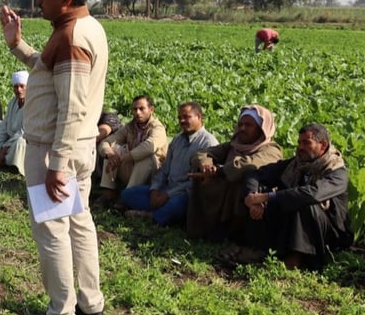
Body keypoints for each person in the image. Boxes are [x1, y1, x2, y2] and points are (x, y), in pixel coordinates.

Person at [0, 0, 109, 315]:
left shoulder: (73, 37)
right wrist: (17, 43)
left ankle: (61, 314)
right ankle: (91, 305)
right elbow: (45, 69)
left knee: (52, 230)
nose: (39, 1)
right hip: (76, 146)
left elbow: (72, 106)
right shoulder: (80, 29)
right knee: (79, 225)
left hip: (55, 148)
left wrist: (56, 165)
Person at [235, 123, 352, 270]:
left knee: (303, 201)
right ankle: (262, 248)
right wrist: (253, 198)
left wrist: (267, 197)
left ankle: (296, 258)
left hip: (330, 233)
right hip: (294, 223)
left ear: (322, 145)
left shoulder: (337, 172)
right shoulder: (295, 164)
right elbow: (254, 173)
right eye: (299, 142)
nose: (300, 147)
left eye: (306, 143)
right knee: (269, 194)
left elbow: (313, 193)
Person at [186, 105, 283, 242]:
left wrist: (218, 171)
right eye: (241, 124)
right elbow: (201, 154)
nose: (242, 128)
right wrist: (206, 165)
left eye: (249, 125)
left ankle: (233, 233)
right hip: (223, 190)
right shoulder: (234, 145)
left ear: (261, 129)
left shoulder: (272, 150)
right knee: (200, 172)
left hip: (250, 201)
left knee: (244, 178)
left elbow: (247, 165)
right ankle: (204, 227)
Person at [119, 102, 219, 226]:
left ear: (198, 117)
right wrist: (155, 190)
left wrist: (168, 195)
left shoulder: (209, 142)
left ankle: (151, 216)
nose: (182, 120)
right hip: (166, 188)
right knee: (127, 194)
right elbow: (164, 170)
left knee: (177, 205)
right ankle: (160, 211)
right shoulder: (177, 140)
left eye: (186, 117)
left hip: (186, 193)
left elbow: (196, 182)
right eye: (180, 117)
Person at [96, 95, 168, 205]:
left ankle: (127, 197)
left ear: (151, 110)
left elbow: (149, 147)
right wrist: (109, 153)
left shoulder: (157, 128)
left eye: (141, 109)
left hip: (153, 174)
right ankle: (108, 192)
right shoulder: (129, 127)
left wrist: (124, 158)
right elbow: (106, 142)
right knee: (113, 150)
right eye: (135, 109)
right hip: (132, 167)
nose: (138, 112)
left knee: (147, 157)